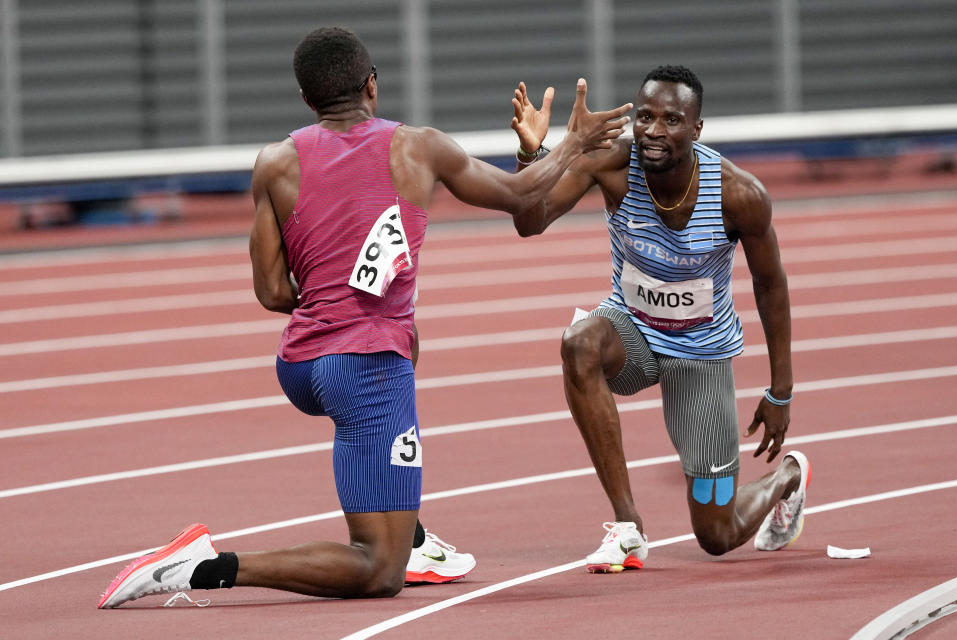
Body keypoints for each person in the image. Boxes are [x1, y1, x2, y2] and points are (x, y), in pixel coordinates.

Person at [96, 26, 631, 608]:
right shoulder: (417, 147)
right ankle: (201, 566)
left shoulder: (275, 162)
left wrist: (332, 295)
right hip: (364, 370)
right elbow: (523, 196)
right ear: (372, 86)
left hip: (301, 365)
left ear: (307, 100)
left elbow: (272, 292)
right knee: (378, 570)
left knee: (405, 336)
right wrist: (569, 145)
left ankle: (415, 534)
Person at [508, 65, 811, 572]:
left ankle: (788, 478)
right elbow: (529, 222)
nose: (653, 130)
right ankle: (628, 528)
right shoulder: (609, 164)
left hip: (702, 353)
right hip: (633, 330)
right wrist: (534, 154)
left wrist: (781, 391)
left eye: (671, 119)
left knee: (717, 534)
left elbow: (771, 285)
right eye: (644, 116)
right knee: (578, 342)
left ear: (696, 129)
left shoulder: (740, 194)